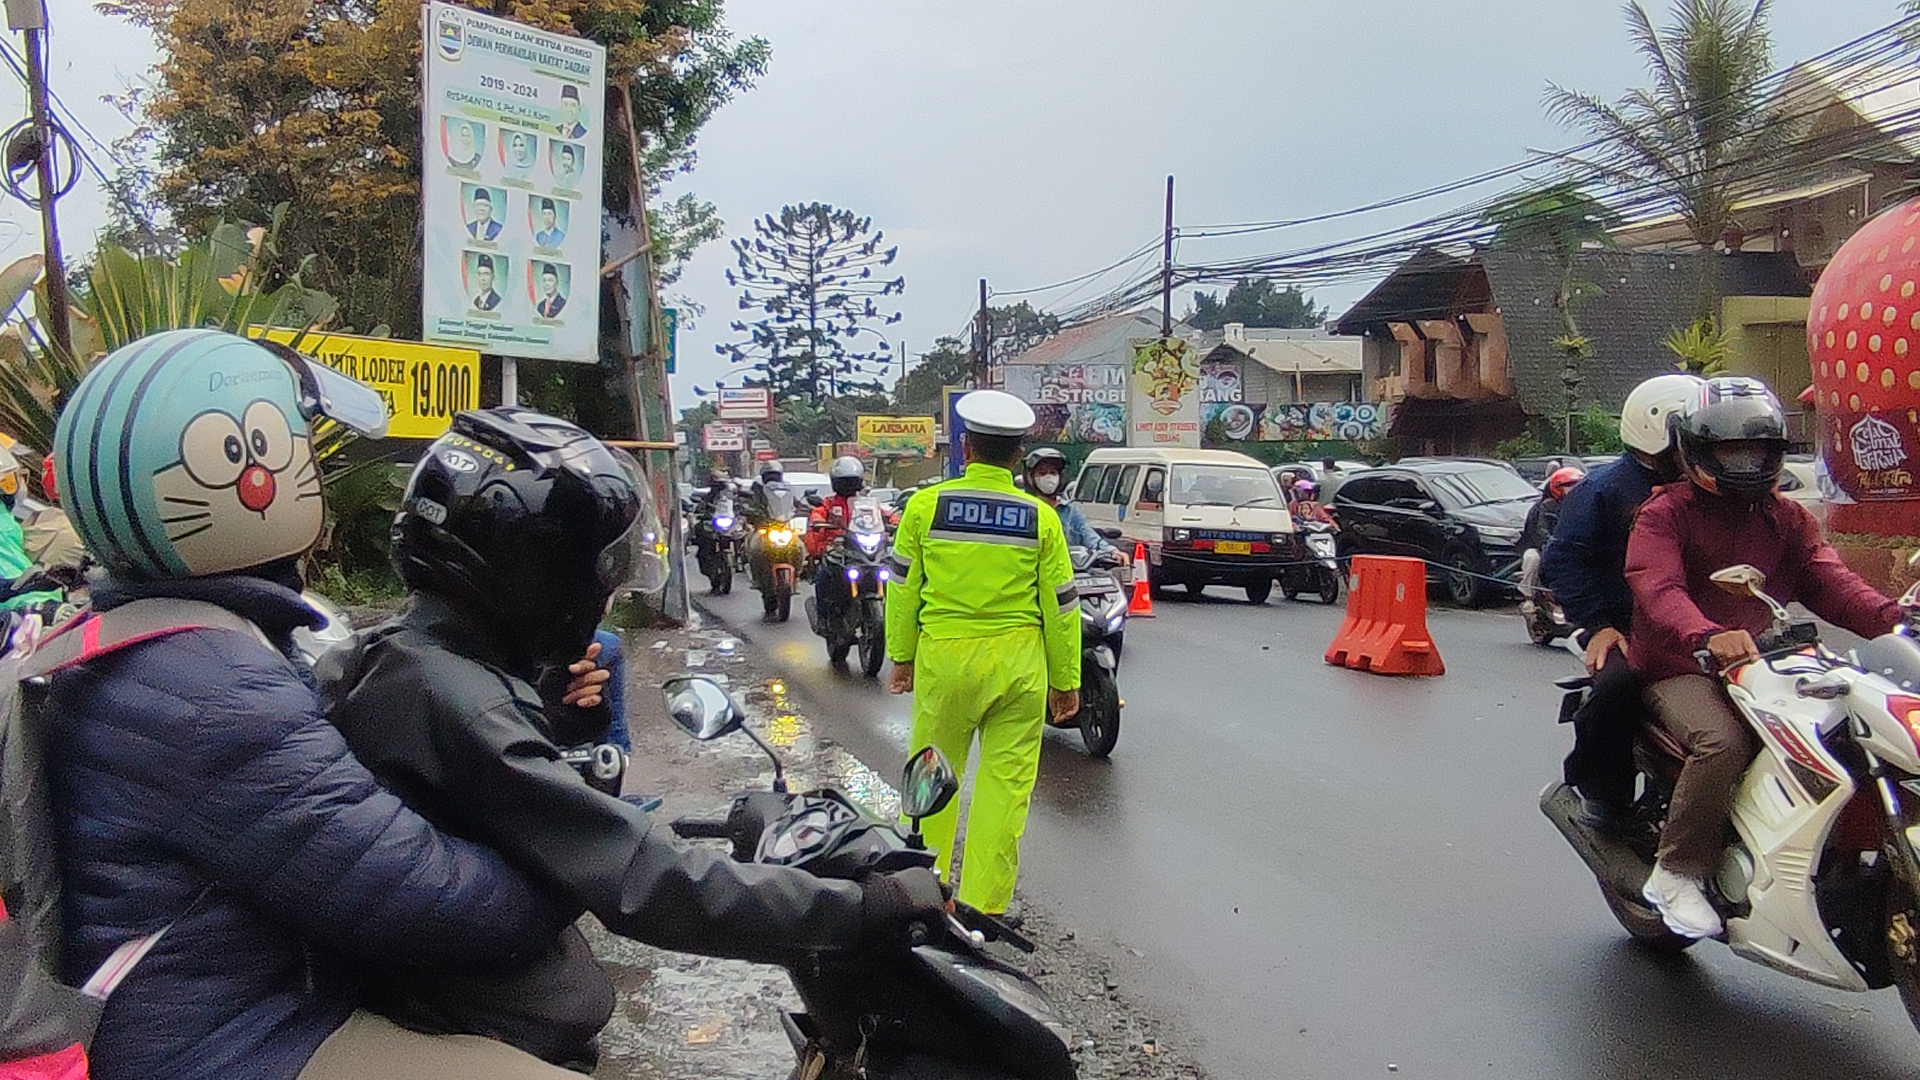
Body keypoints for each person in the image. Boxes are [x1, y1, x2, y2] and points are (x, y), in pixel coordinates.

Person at [320, 408, 948, 1058]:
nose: (606, 594)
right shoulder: (460, 701)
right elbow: (640, 880)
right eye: (599, 573)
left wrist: (557, 725)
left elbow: (523, 816)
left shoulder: (400, 657)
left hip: (454, 996)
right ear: (539, 572)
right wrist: (858, 910)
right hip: (470, 1021)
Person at [44, 329, 583, 1080]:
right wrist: (581, 862)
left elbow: (333, 805)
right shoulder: (214, 690)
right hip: (227, 1046)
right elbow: (421, 897)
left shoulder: (139, 637)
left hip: (198, 1012)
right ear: (247, 469)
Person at [1626, 376, 1901, 939]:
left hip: (1766, 662)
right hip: (1681, 665)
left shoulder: (1788, 519)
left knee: (1848, 731)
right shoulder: (1665, 515)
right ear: (1696, 450)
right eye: (1730, 451)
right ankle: (1676, 871)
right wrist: (1706, 634)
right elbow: (1658, 590)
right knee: (1723, 742)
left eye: (1757, 451)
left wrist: (1894, 617)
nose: (1746, 463)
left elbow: (1833, 585)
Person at [885, 390, 1080, 918]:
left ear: (966, 448)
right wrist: (1067, 681)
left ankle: (923, 892)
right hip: (1019, 670)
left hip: (944, 662)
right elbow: (1061, 608)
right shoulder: (1041, 520)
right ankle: (983, 907)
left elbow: (902, 589)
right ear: (1019, 456)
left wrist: (900, 656)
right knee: (1005, 789)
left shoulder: (926, 508)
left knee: (932, 776)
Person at [1541, 373, 1702, 833]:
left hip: (1695, 626)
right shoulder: (1605, 491)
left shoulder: (1707, 488)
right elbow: (1564, 559)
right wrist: (1600, 625)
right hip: (1625, 628)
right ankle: (1602, 792)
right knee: (1617, 690)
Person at [1022, 447, 1127, 566]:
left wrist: (1112, 551)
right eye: (1042, 473)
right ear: (1030, 478)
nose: (1049, 477)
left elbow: (1089, 535)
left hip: (1070, 575)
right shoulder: (1024, 509)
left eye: (1053, 473)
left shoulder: (1068, 510)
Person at [806, 455, 868, 623]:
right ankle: (823, 618)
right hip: (836, 549)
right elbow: (818, 514)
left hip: (861, 548)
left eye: (852, 481)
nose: (848, 485)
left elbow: (885, 515)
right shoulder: (829, 504)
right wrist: (818, 522)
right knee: (823, 576)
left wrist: (894, 521)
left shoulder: (866, 504)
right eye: (844, 481)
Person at [1518, 466, 1583, 616]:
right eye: (1568, 486)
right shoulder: (1542, 507)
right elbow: (1540, 532)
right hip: (1543, 548)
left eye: (1575, 485)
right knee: (1532, 558)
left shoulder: (1581, 507)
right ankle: (1528, 597)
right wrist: (1555, 545)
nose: (1572, 489)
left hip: (1571, 548)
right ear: (1556, 487)